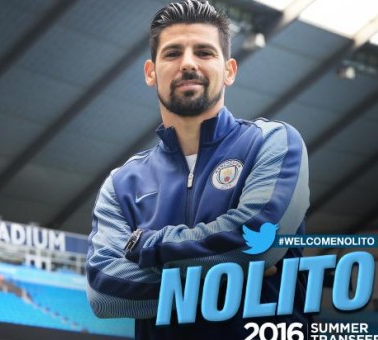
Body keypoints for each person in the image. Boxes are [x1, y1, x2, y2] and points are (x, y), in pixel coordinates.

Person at [85, 1, 311, 339]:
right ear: (150, 72)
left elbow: (258, 241)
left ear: (230, 70)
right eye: (173, 53)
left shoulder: (273, 142)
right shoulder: (122, 185)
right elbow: (106, 292)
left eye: (204, 52)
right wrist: (235, 275)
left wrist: (152, 247)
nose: (188, 63)